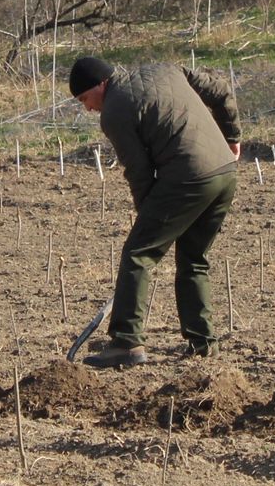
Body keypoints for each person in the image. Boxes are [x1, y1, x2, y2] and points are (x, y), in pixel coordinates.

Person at [69, 56, 240, 367]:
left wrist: (148, 223)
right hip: (225, 172)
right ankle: (203, 345)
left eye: (85, 98)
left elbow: (139, 172)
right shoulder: (166, 68)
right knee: (193, 259)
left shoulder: (115, 112)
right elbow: (220, 90)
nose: (88, 108)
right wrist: (232, 137)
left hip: (187, 177)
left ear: (100, 84)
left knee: (138, 254)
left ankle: (126, 342)